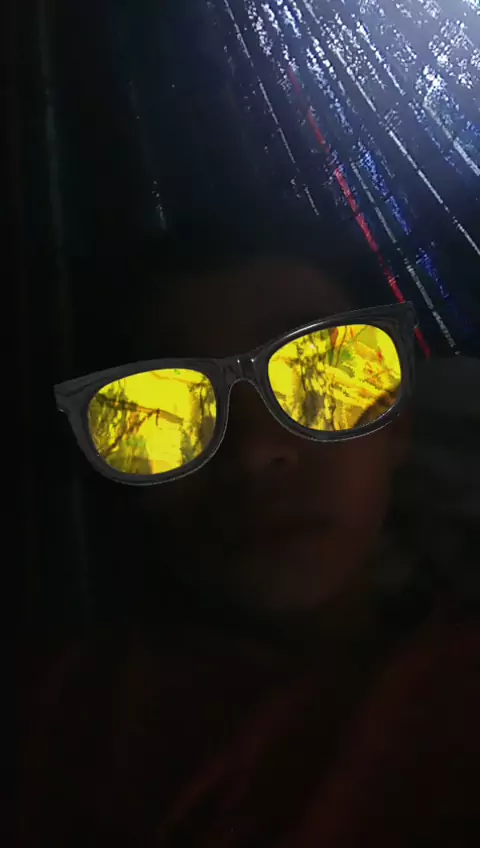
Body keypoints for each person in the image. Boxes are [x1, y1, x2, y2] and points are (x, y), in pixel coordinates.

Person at [19, 215, 479, 847]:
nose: (252, 451)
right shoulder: (61, 740)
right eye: (159, 414)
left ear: (398, 425)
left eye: (325, 379)